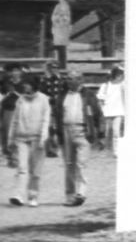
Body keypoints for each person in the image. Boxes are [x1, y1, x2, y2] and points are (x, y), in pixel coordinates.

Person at [8, 78, 49, 207]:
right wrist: (11, 138)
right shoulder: (20, 100)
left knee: (36, 170)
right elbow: (15, 119)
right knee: (22, 167)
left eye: (27, 83)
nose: (24, 85)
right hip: (21, 138)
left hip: (37, 138)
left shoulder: (43, 99)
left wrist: (43, 137)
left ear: (33, 84)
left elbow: (45, 120)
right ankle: (18, 195)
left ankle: (33, 195)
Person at [58, 75, 97, 207]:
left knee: (82, 163)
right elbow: (58, 113)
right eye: (68, 78)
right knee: (69, 164)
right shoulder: (63, 95)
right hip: (66, 130)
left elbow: (98, 113)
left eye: (73, 78)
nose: (69, 80)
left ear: (81, 80)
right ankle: (70, 195)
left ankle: (81, 193)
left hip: (83, 131)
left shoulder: (88, 94)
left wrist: (101, 134)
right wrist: (56, 132)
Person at [97, 66, 125, 156]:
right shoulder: (105, 86)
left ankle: (116, 151)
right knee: (107, 132)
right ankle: (105, 149)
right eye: (120, 74)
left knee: (116, 132)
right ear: (116, 75)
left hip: (118, 112)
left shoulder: (122, 85)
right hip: (107, 112)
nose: (122, 76)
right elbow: (101, 99)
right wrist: (102, 110)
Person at [1, 64, 24, 169]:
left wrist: (16, 93)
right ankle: (7, 153)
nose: (15, 73)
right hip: (8, 109)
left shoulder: (24, 84)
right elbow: (3, 94)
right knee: (6, 131)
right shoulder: (7, 83)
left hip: (20, 109)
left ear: (20, 72)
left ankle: (16, 157)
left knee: (18, 133)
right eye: (14, 71)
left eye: (17, 71)